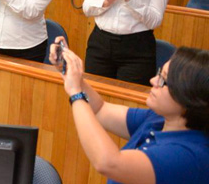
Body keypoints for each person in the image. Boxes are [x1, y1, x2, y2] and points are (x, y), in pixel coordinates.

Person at [52, 43, 209, 183]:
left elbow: (108, 163)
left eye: (164, 80)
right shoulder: (159, 119)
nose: (153, 81)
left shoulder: (189, 156)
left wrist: (76, 93)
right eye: (159, 73)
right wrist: (72, 74)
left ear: (189, 98)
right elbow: (100, 109)